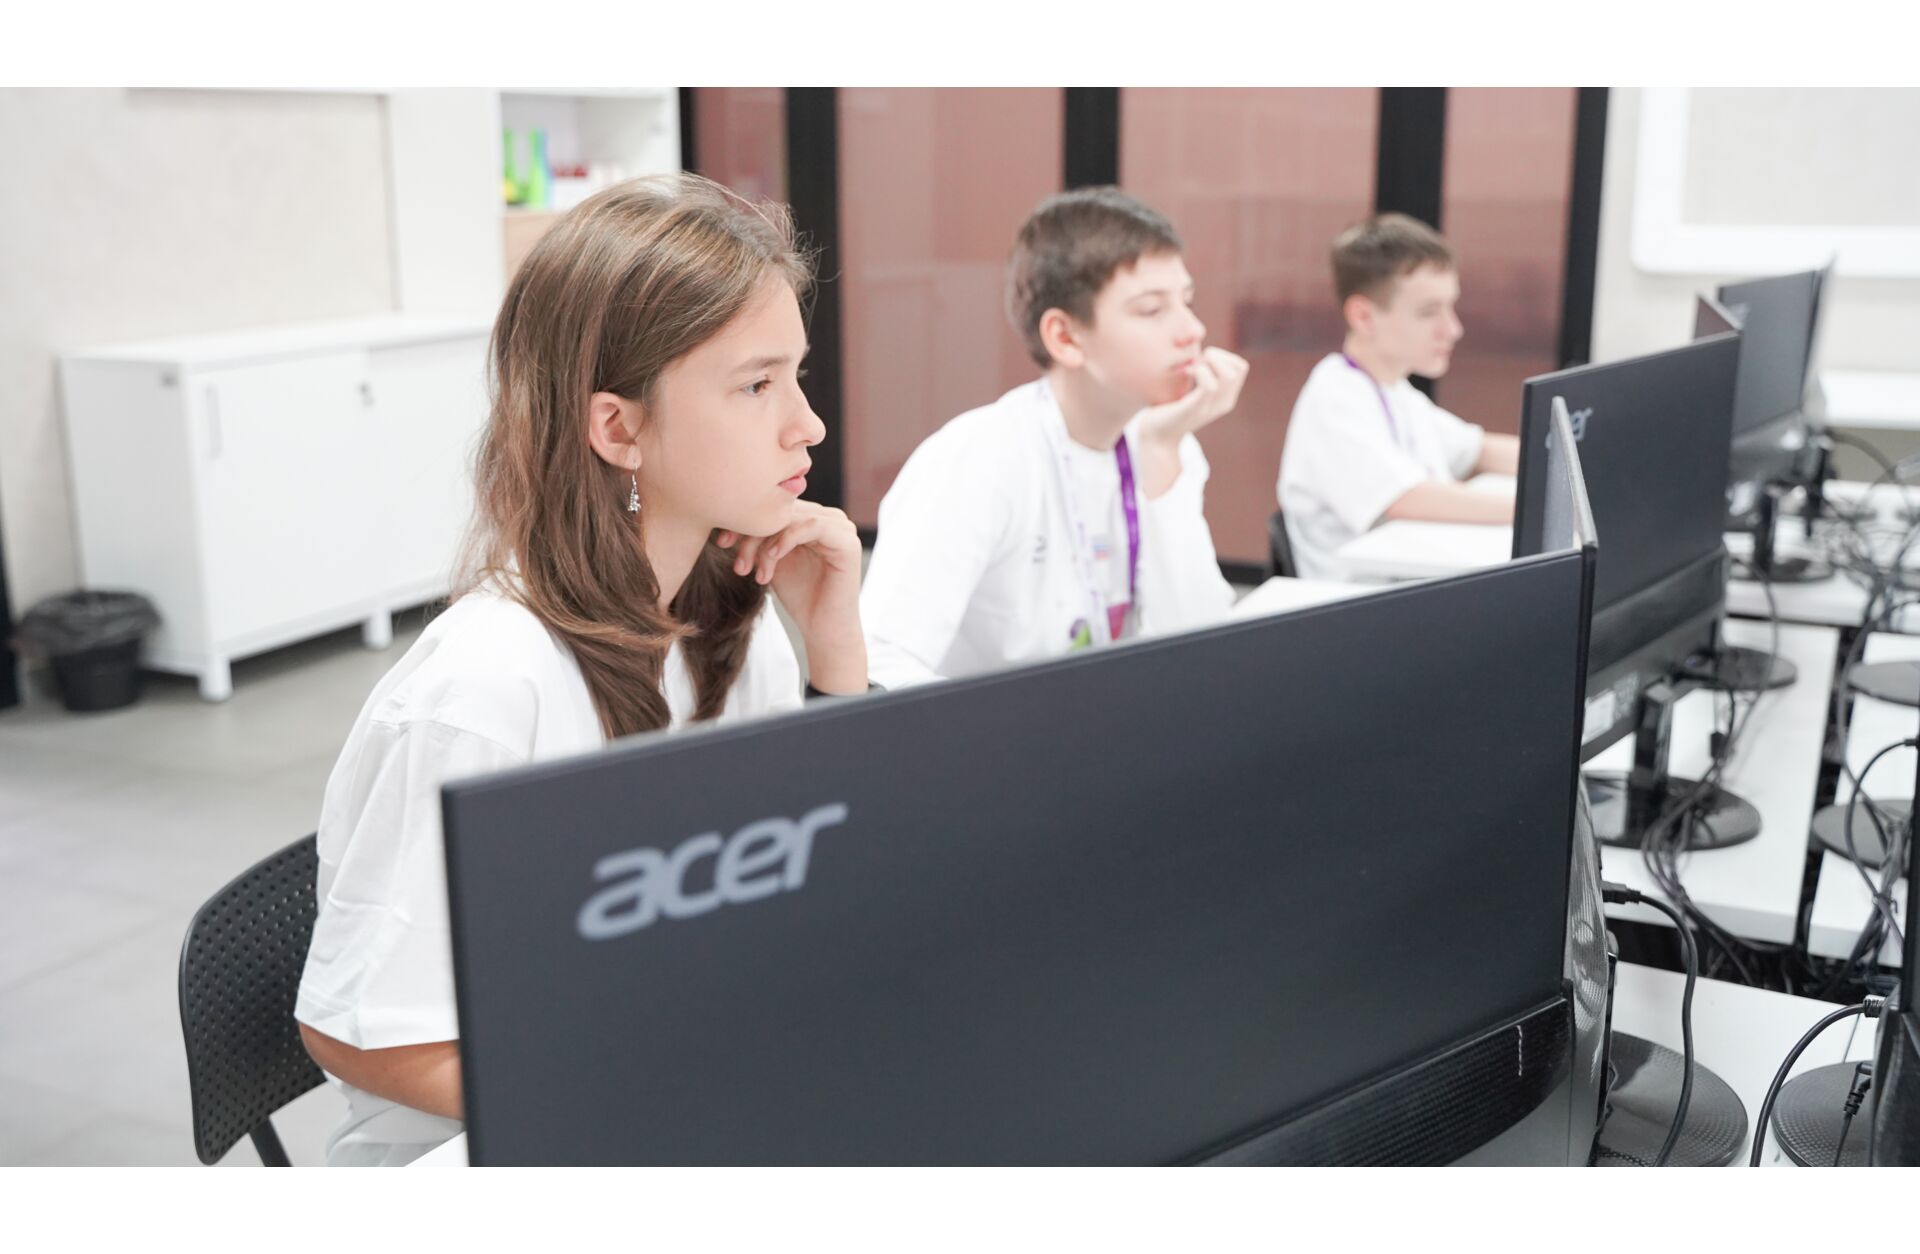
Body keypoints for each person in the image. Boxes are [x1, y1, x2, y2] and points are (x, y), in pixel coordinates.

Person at [293, 174, 867, 1166]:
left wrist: (837, 651)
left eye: (797, 377)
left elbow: (820, 888)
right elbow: (358, 1033)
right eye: (757, 385)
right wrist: (643, 1093)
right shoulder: (485, 687)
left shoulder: (728, 620)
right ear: (618, 429)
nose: (807, 424)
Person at [860, 187, 1244, 686]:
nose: (1192, 330)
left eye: (1186, 302)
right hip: (1001, 728)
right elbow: (882, 663)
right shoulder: (978, 460)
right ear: (1065, 337)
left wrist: (1163, 453)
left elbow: (1202, 647)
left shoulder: (1165, 442)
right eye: (1152, 310)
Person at [1277, 213, 1520, 581]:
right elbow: (1407, 499)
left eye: (1450, 307)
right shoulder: (1335, 398)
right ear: (1363, 316)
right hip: (1362, 605)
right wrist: (1531, 509)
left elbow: (1478, 449)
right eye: (1428, 312)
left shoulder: (1396, 392)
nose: (1453, 329)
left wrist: (1573, 464)